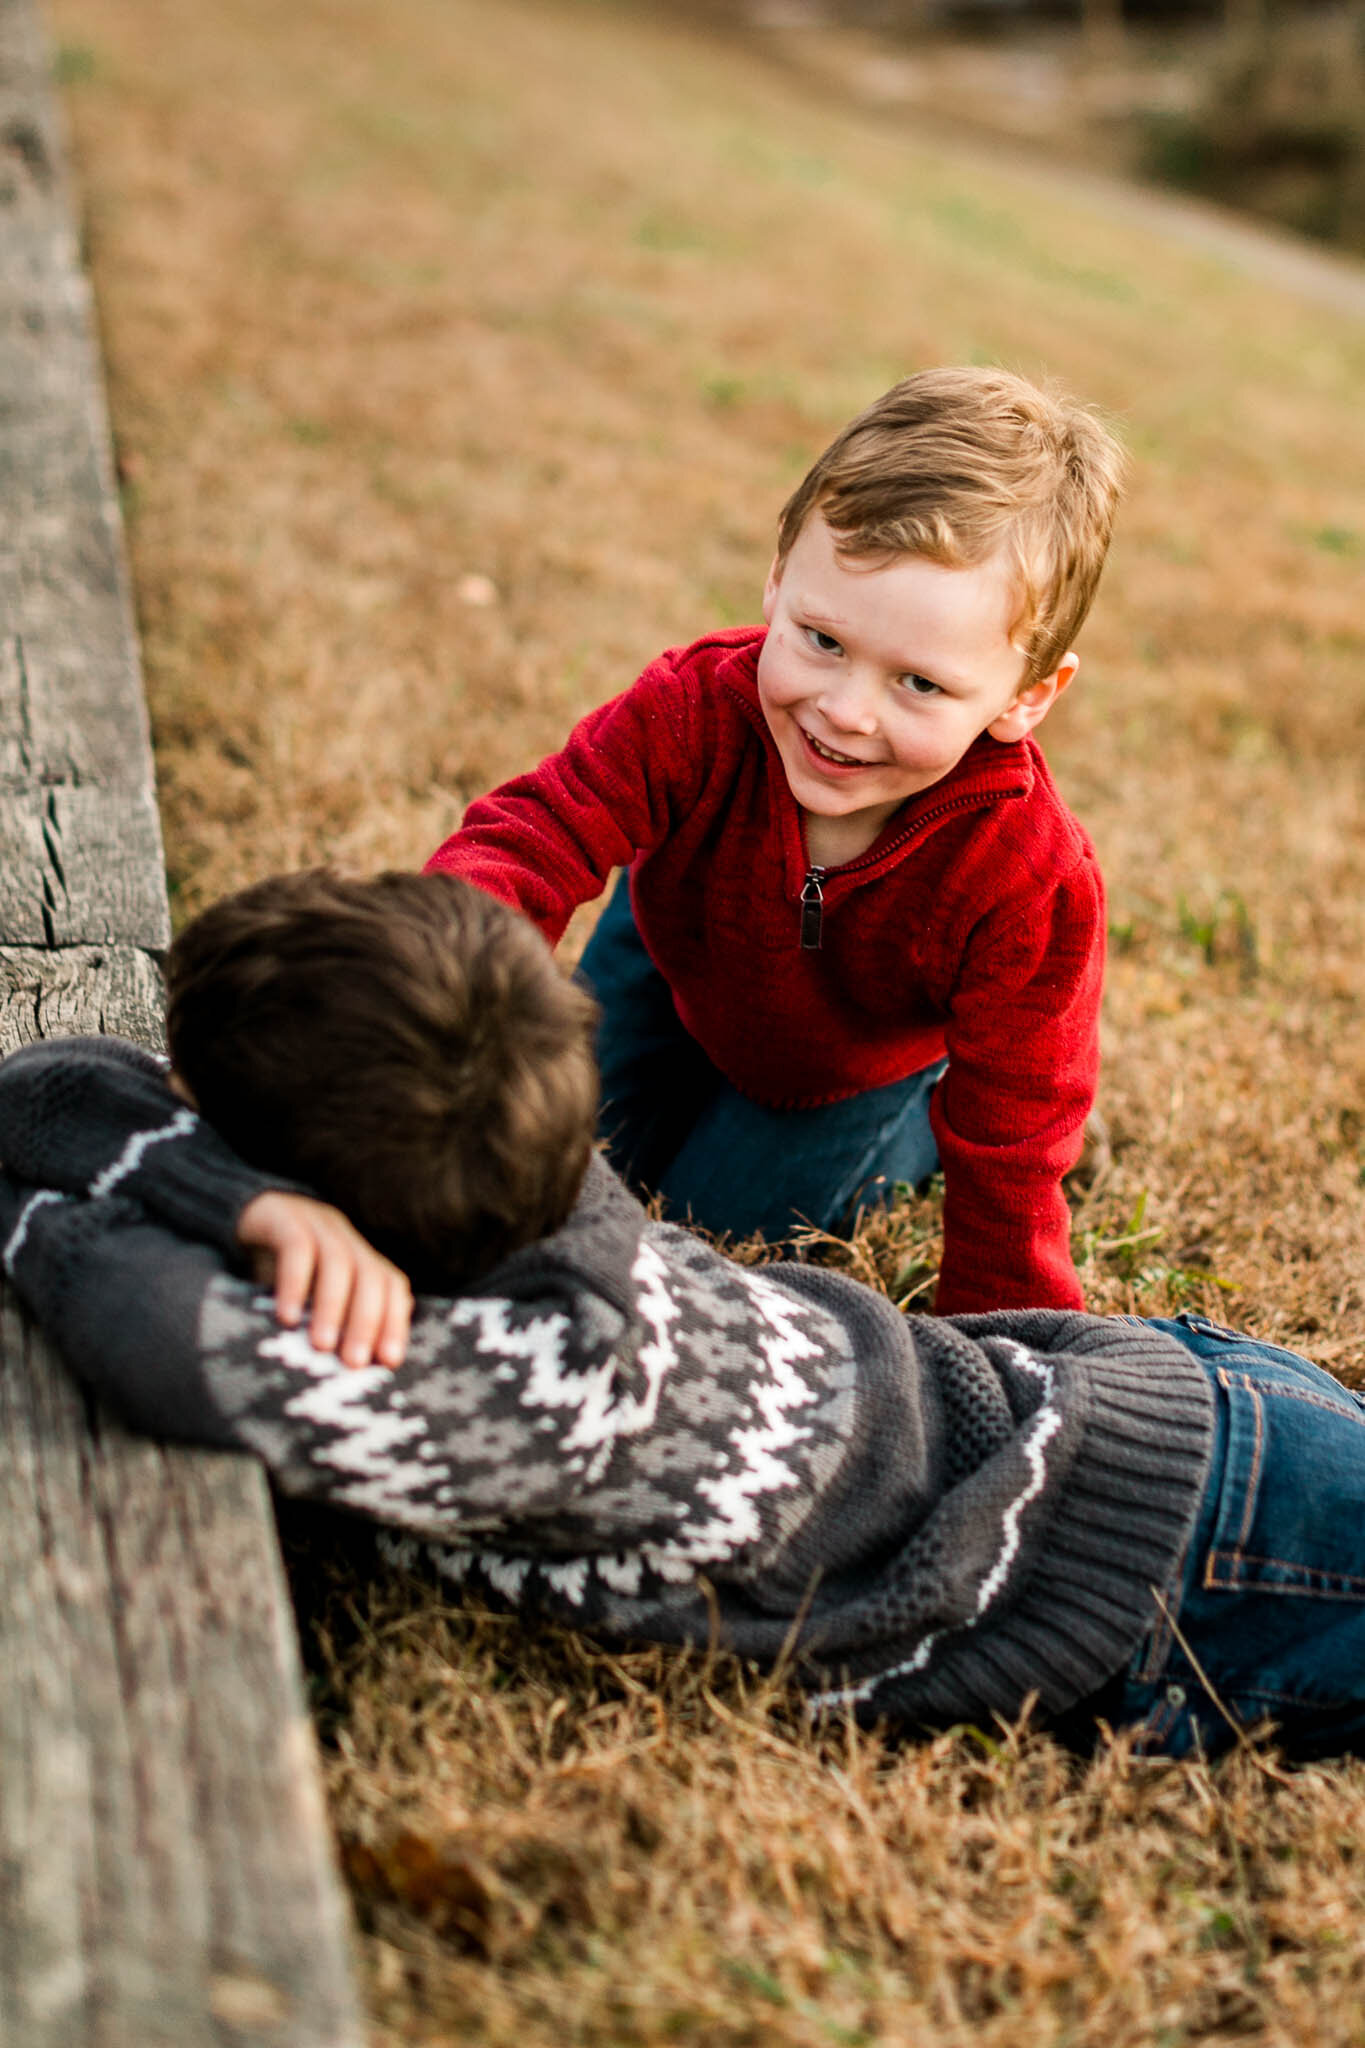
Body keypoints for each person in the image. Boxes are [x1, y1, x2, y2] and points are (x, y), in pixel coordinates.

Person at [7, 869, 1365, 1763]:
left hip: (1170, 1559)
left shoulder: (524, 1385)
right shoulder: (515, 1161)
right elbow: (53, 1082)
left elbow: (156, 1332)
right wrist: (231, 1192)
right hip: (1142, 1412)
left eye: (208, 1132)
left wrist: (166, 1201)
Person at [425, 365, 1126, 1314]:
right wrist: (415, 987)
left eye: (918, 684)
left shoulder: (1026, 876)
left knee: (692, 1247)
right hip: (676, 962)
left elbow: (1020, 1127)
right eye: (822, 640)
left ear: (1026, 697)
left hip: (839, 1069)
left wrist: (1008, 1320)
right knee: (539, 1163)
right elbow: (533, 835)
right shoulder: (695, 708)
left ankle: (913, 1123)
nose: (843, 712)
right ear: (776, 580)